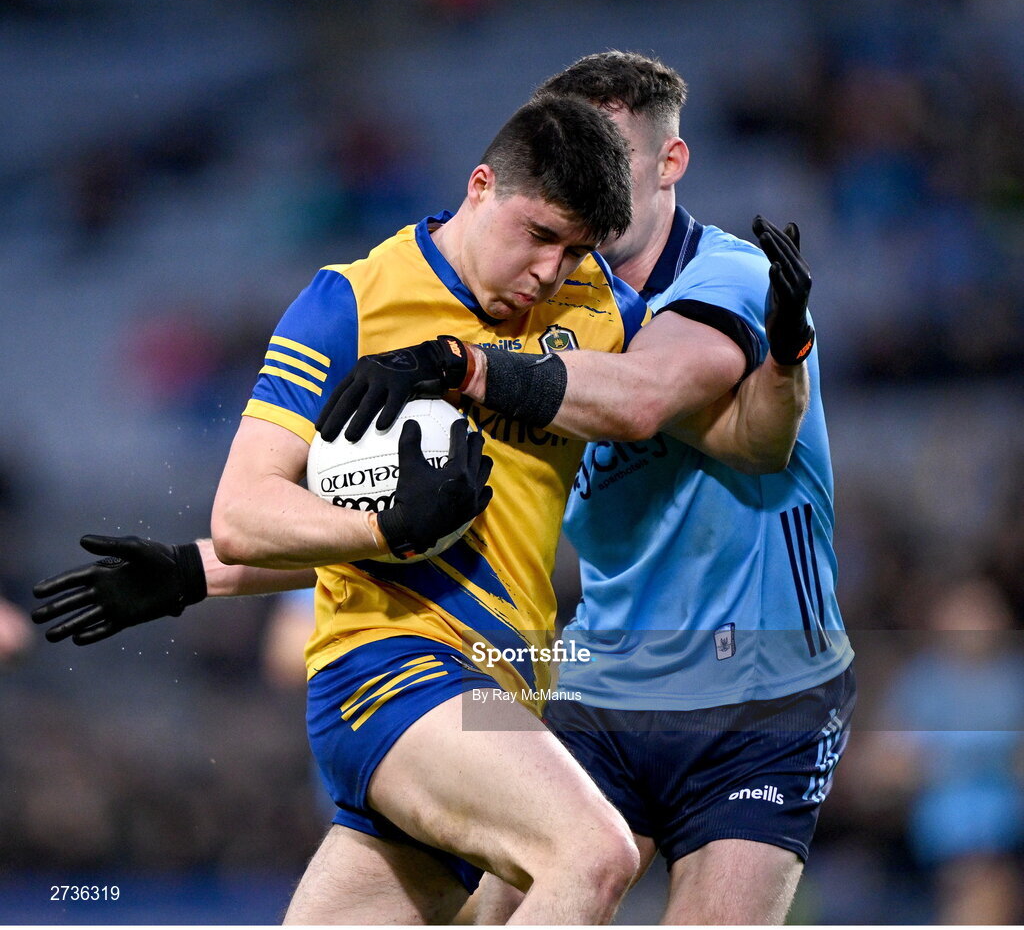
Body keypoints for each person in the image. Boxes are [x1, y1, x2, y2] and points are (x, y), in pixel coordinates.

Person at [33, 64, 819, 922]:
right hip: (392, 673)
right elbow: (249, 511)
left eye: (575, 250)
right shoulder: (352, 303)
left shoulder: (599, 311)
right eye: (539, 235)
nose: (550, 271)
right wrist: (383, 526)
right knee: (590, 854)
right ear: (482, 186)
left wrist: (785, 358)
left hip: (493, 707)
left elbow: (749, 440)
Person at [321, 51, 855, 925]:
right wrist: (201, 567)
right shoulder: (552, 308)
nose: (591, 178)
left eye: (611, 155)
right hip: (602, 679)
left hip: (760, 696)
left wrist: (465, 366)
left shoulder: (732, 277)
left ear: (671, 164)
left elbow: (659, 404)